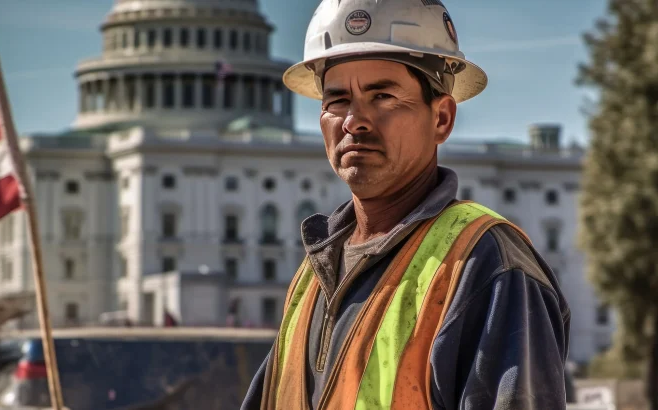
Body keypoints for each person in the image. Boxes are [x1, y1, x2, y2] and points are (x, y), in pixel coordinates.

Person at [241, 0, 571, 408]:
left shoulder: (487, 264)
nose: (353, 121)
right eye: (337, 101)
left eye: (383, 96)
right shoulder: (313, 274)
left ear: (442, 119)